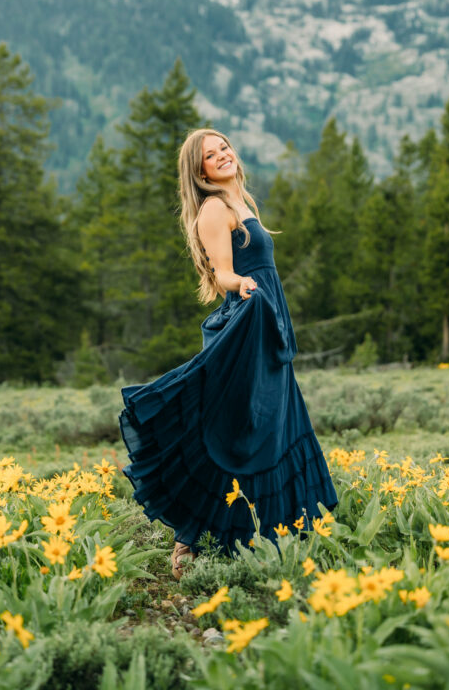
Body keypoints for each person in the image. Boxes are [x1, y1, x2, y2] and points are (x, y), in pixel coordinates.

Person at [118, 127, 338, 579]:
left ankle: (273, 534)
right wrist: (241, 283)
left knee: (267, 428)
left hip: (266, 327)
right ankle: (189, 541)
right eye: (209, 155)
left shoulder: (242, 202)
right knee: (234, 430)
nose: (221, 156)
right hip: (247, 324)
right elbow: (221, 274)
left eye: (224, 148)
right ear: (198, 171)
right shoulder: (214, 209)